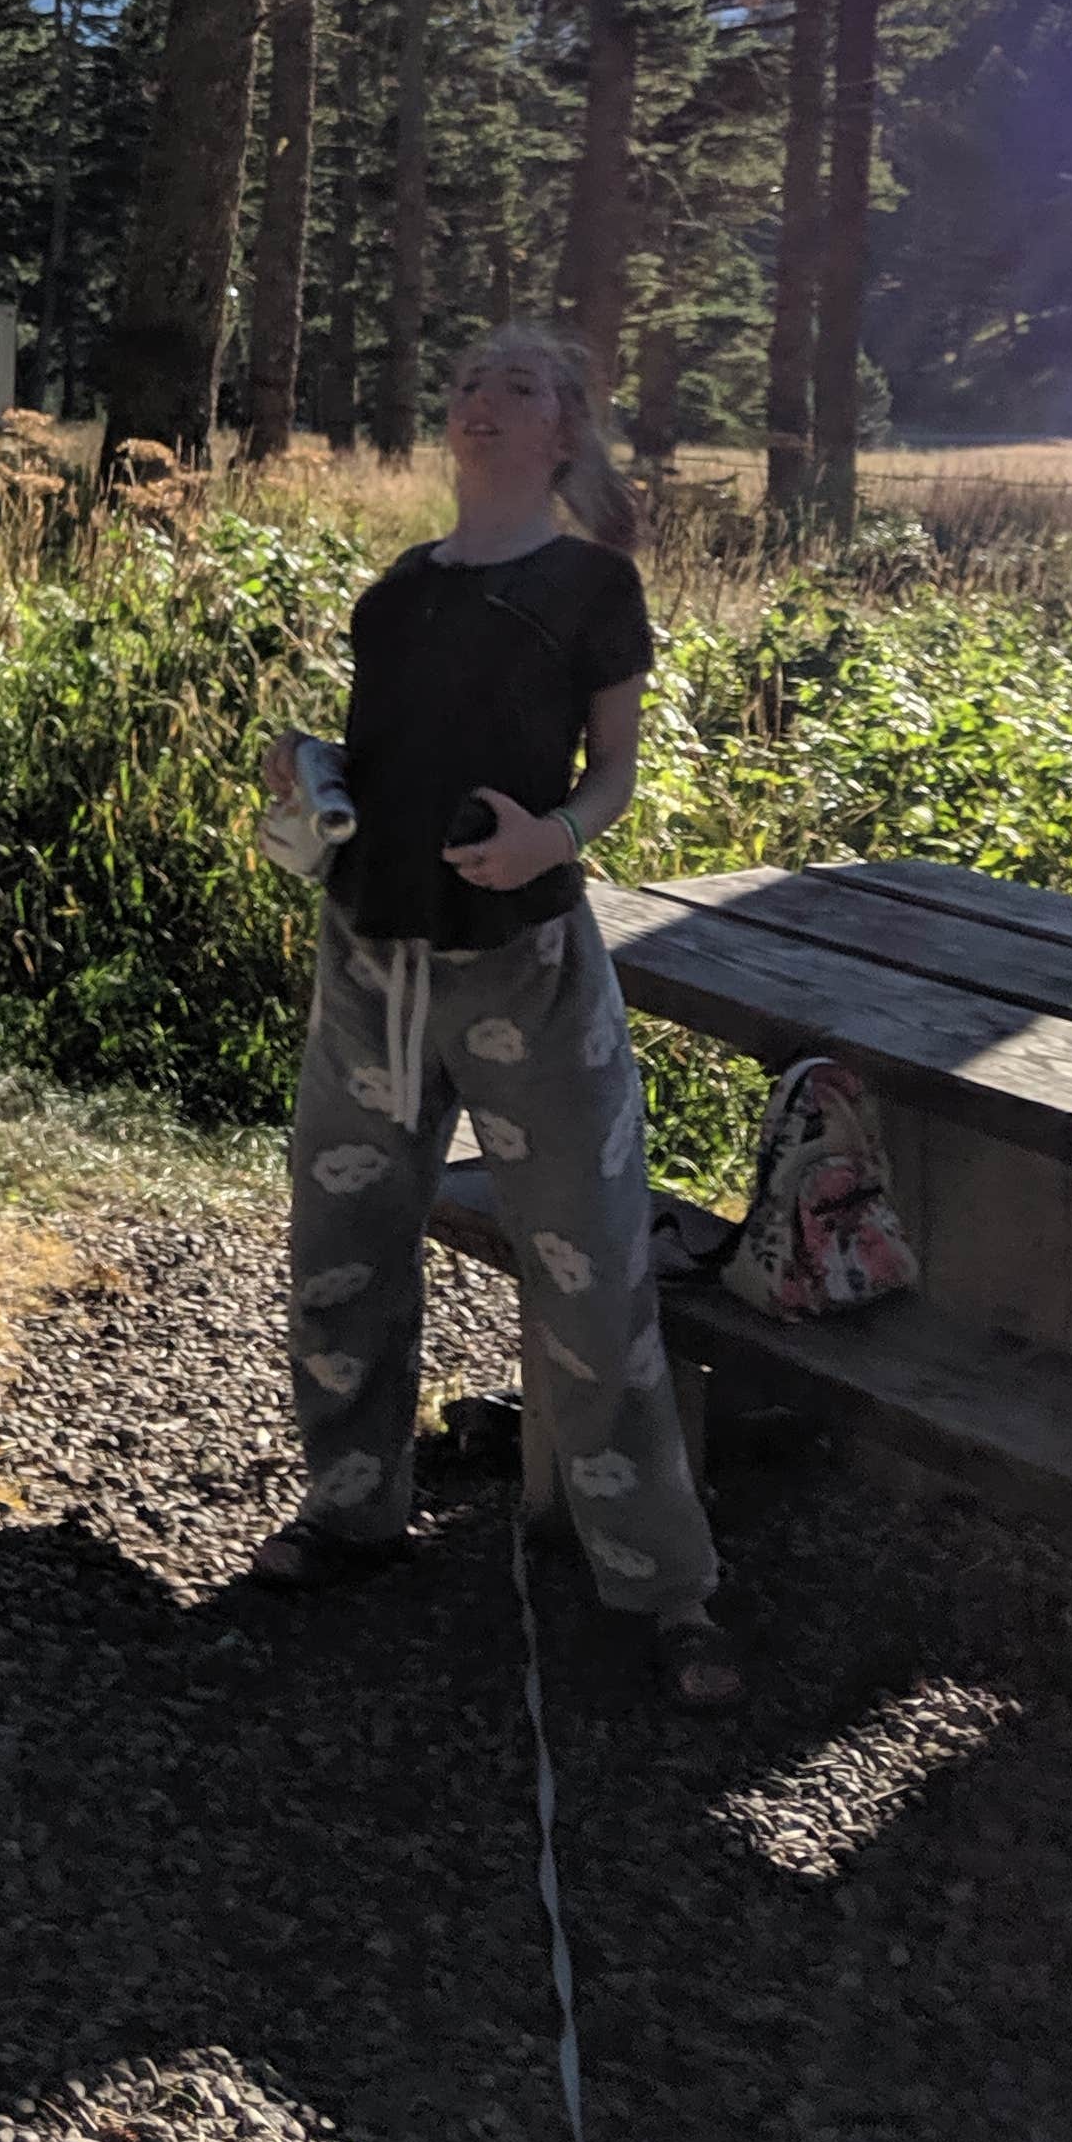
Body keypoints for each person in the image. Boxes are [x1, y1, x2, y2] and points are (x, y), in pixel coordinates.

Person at [251, 319, 742, 1711]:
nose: (482, 401)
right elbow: (394, 756)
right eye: (467, 382)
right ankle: (352, 1514)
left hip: (528, 967)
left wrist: (557, 843)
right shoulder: (398, 591)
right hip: (372, 965)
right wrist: (310, 773)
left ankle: (663, 1585)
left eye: (518, 388)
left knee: (589, 1270)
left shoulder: (595, 585)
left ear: (564, 434)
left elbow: (615, 778)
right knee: (342, 1254)